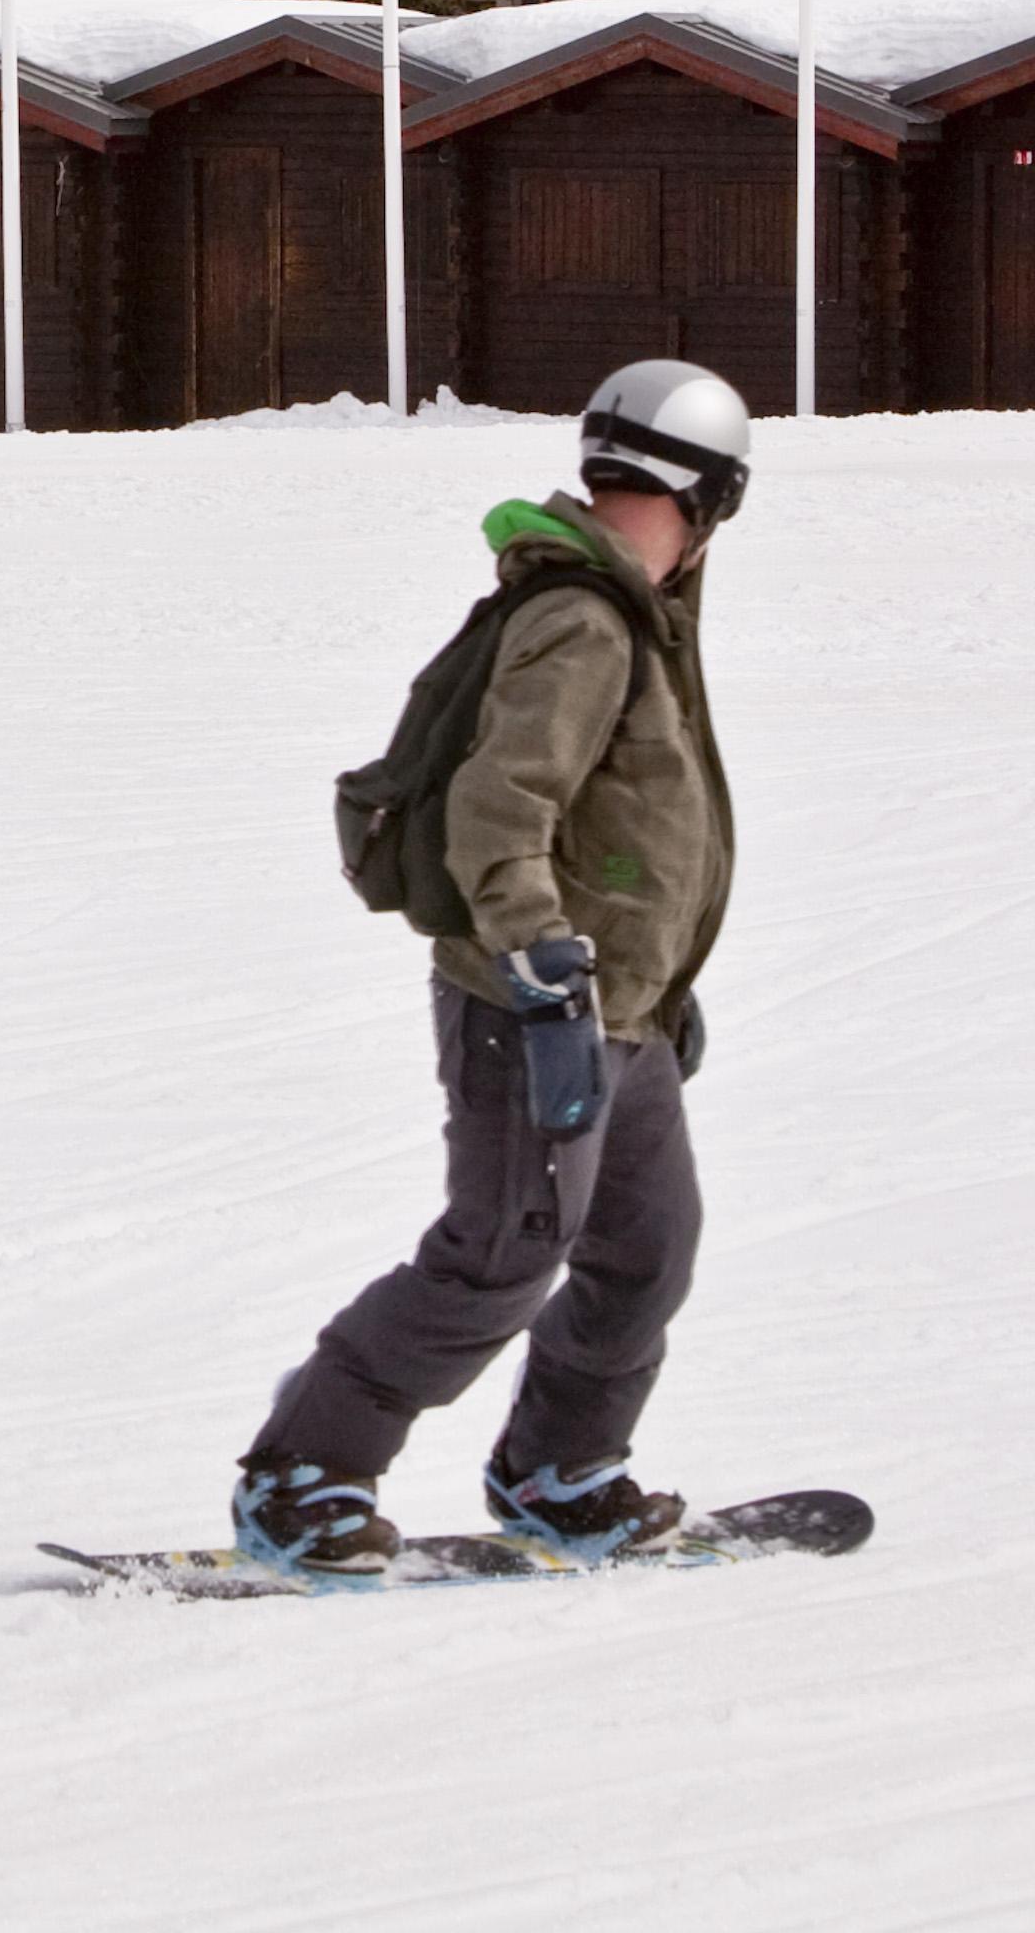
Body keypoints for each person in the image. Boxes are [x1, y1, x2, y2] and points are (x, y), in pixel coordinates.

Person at [235, 358, 748, 1580]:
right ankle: (305, 1474)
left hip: (621, 1009)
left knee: (646, 1245)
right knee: (501, 1252)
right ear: (712, 494)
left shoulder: (631, 610)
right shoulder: (581, 620)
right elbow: (498, 808)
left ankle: (561, 1469)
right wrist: (545, 962)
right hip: (536, 1006)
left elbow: (632, 832)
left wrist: (655, 984)